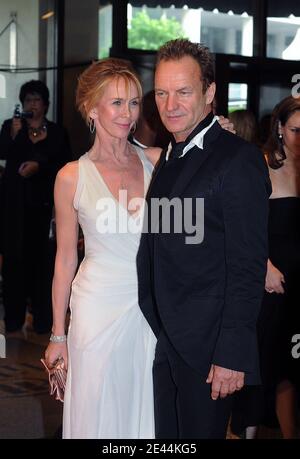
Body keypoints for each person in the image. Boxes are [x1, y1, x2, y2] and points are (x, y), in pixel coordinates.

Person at [137, 39, 271, 439]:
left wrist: (232, 354)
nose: (170, 104)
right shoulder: (172, 155)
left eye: (183, 91)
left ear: (209, 93)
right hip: (169, 338)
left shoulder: (238, 159)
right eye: (161, 92)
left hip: (210, 351)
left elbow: (248, 266)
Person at [43, 58, 162, 439]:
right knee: (96, 411)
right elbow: (65, 259)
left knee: (144, 410)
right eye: (116, 103)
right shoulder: (71, 177)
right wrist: (57, 334)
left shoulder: (157, 162)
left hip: (149, 307)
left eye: (133, 102)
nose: (127, 113)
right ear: (91, 109)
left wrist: (218, 129)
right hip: (95, 310)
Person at [231, 95, 300, 439]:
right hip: (270, 284)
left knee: (290, 369)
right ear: (279, 128)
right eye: (296, 130)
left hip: (298, 285)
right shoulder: (262, 165)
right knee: (260, 366)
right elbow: (242, 227)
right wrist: (265, 268)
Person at [0, 80, 72, 333]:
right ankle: (13, 319)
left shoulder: (57, 132)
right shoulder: (11, 126)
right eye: (27, 100)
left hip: (45, 208)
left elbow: (65, 166)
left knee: (45, 265)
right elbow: (4, 153)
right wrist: (12, 135)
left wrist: (39, 166)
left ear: (46, 104)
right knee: (14, 263)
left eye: (36, 100)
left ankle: (44, 321)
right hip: (16, 209)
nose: (32, 105)